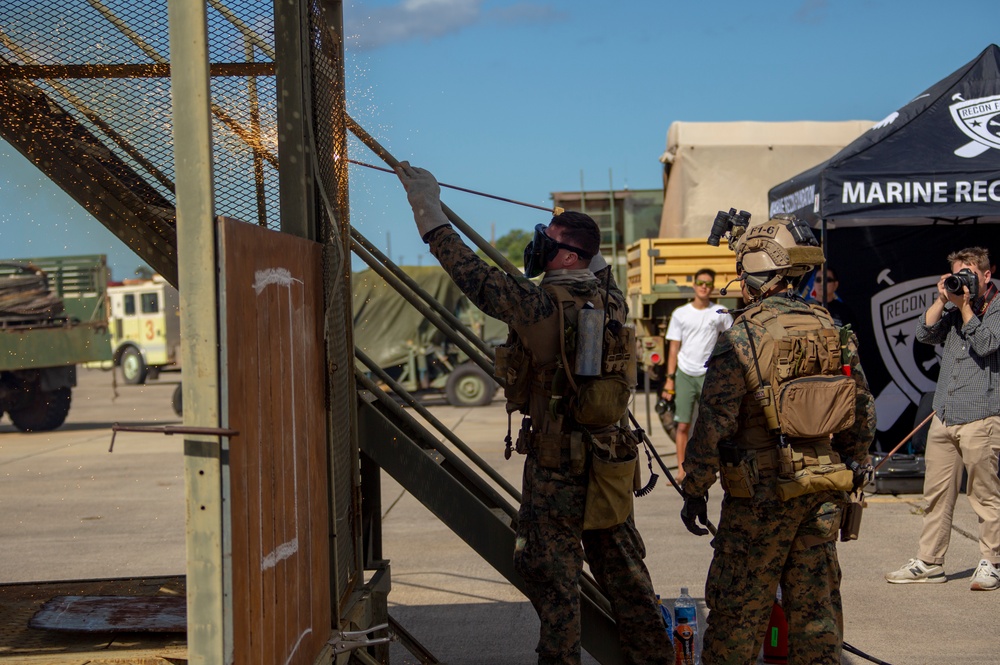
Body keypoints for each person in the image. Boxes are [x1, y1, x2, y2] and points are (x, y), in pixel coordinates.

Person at [395, 162, 671, 664]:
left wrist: (426, 206)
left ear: (568, 254)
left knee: (553, 577)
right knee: (626, 574)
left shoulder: (536, 303)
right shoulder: (611, 300)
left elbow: (470, 273)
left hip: (557, 465)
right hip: (610, 459)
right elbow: (596, 260)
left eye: (550, 239)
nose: (540, 244)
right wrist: (578, 233)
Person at [678, 214, 876, 664]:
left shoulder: (742, 337)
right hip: (822, 494)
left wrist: (694, 490)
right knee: (816, 614)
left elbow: (712, 426)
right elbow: (861, 412)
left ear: (754, 275)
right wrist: (853, 463)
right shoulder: (833, 329)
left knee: (737, 617)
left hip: (759, 501)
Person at [885, 247, 1000, 590]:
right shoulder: (952, 308)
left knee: (984, 495)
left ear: (986, 275)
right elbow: (923, 335)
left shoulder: (996, 307)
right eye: (955, 274)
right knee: (936, 495)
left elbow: (987, 343)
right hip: (945, 413)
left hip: (982, 414)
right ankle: (930, 561)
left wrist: (964, 307)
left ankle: (991, 562)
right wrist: (943, 299)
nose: (961, 281)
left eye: (967, 274)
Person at [658, 268, 733, 480]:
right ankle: (682, 470)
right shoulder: (680, 314)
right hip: (685, 373)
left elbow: (731, 342)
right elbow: (673, 348)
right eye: (700, 282)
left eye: (708, 284)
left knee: (711, 424)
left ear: (712, 288)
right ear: (694, 285)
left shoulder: (719, 312)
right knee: (682, 424)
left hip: (708, 374)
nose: (703, 287)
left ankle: (711, 467)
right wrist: (669, 381)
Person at [807, 265, 855, 329]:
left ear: (835, 284)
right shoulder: (806, 308)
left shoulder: (844, 311)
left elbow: (852, 336)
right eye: (818, 280)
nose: (822, 283)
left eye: (827, 280)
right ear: (814, 283)